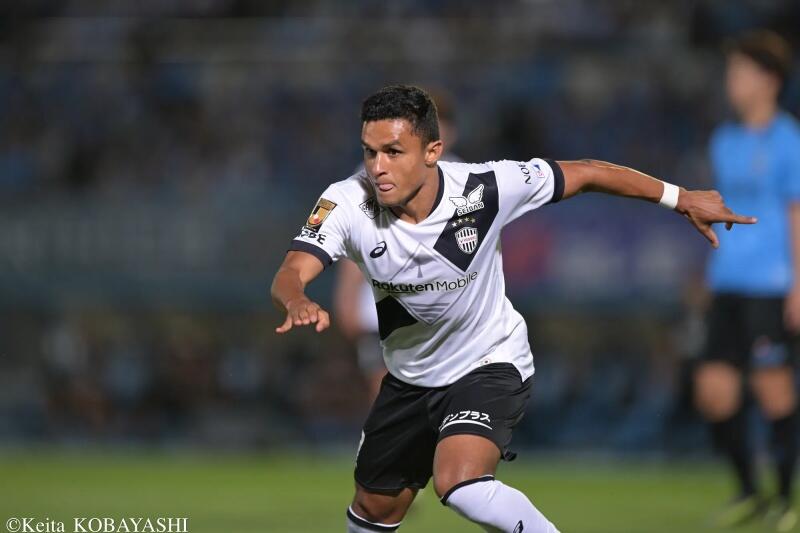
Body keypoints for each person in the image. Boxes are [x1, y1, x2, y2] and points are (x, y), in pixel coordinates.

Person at [271, 85, 753, 533]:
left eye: (393, 152)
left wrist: (680, 198)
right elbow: (293, 268)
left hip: (489, 361)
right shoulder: (346, 201)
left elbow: (587, 172)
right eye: (369, 151)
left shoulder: (485, 188)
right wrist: (296, 298)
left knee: (460, 483)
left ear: (432, 152)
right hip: (410, 377)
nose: (377, 166)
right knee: (374, 507)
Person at [692, 30, 800, 531]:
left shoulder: (789, 140)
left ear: (769, 80)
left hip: (771, 284)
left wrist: (799, 284)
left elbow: (796, 214)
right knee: (713, 390)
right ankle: (751, 493)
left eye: (740, 72)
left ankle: (785, 500)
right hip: (727, 282)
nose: (731, 81)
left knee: (773, 389)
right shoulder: (725, 140)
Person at [334, 88, 462, 404]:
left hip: (444, 309)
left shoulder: (464, 177)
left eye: (442, 124)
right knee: (387, 397)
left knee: (442, 402)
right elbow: (357, 238)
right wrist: (347, 295)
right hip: (383, 307)